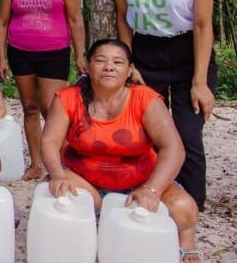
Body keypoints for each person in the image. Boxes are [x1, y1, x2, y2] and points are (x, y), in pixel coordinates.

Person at [103, 0, 220, 212]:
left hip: (189, 51)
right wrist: (130, 63)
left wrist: (200, 81)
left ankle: (192, 203)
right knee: (149, 131)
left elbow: (202, 24)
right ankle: (154, 192)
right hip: (146, 52)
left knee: (187, 132)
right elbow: (123, 18)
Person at [41, 39, 202, 262]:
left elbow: (173, 148)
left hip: (141, 178)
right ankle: (91, 236)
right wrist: (58, 175)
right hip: (84, 177)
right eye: (100, 61)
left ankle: (186, 243)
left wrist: (152, 190)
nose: (109, 67)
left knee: (184, 208)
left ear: (130, 70)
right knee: (55, 193)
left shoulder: (145, 98)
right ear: (86, 66)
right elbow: (49, 141)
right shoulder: (67, 98)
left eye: (118, 62)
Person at [0, 0, 87, 180]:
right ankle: (36, 164)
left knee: (52, 108)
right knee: (30, 108)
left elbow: (76, 20)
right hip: (20, 52)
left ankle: (59, 164)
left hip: (54, 52)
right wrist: (2, 58)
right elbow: (2, 23)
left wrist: (80, 55)